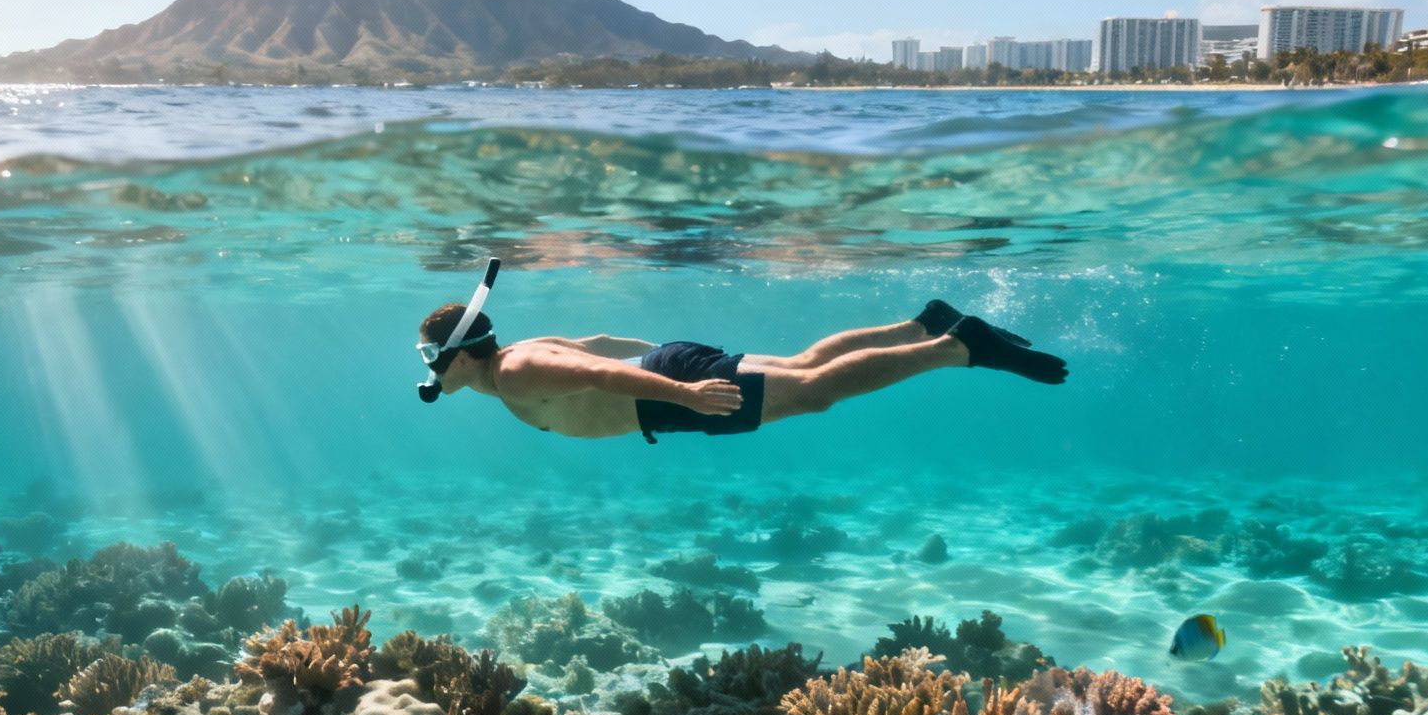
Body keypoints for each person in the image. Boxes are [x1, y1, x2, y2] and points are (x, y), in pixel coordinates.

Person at [415, 292, 1066, 443]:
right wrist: (666, 360)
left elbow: (605, 375)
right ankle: (922, 322)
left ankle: (957, 346)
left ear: (457, 353)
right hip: (665, 378)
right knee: (806, 365)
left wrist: (687, 392)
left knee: (813, 391)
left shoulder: (517, 372)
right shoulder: (519, 357)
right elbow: (599, 343)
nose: (427, 370)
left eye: (428, 356)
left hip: (665, 393)